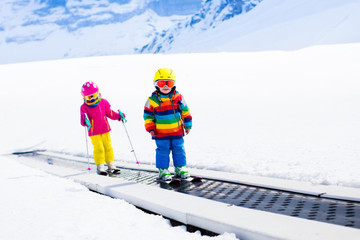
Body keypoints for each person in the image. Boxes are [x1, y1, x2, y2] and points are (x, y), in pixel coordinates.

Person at [144, 68, 192, 181]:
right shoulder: (152, 100)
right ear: (156, 84)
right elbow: (147, 116)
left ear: (174, 84)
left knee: (179, 149)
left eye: (169, 83)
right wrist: (150, 128)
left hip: (177, 131)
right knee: (163, 151)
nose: (165, 86)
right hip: (160, 133)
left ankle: (180, 168)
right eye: (162, 83)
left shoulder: (178, 97)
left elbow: (185, 111)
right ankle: (163, 170)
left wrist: (188, 124)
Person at [80, 81, 124, 175]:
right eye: (89, 97)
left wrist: (118, 116)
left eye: (94, 95)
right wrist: (85, 120)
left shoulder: (103, 102)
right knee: (99, 148)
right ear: (84, 97)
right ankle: (100, 166)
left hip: (105, 129)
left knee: (108, 147)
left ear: (98, 93)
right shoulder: (84, 107)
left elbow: (109, 113)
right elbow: (83, 120)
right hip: (94, 131)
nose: (92, 99)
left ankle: (111, 164)